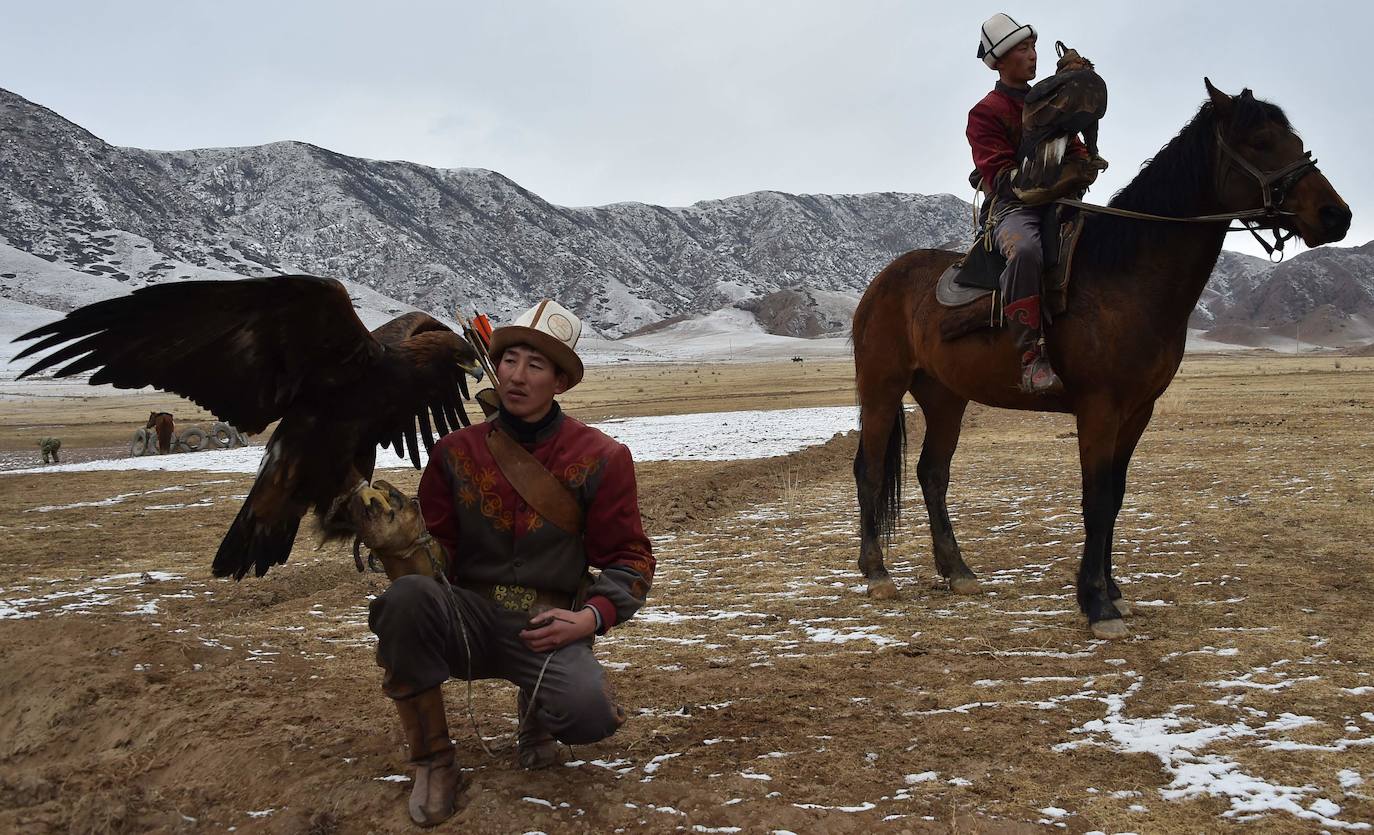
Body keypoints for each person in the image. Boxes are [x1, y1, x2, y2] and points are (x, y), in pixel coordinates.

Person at [367, 299, 655, 827]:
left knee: (589, 714)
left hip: (548, 626)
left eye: (536, 365)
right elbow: (441, 552)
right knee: (403, 600)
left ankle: (538, 719)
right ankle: (434, 761)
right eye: (509, 360)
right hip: (468, 617)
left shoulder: (603, 457)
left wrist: (590, 617)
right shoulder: (454, 453)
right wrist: (404, 549)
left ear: (561, 382)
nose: (517, 376)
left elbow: (630, 558)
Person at [968, 12, 1089, 395]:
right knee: (1025, 252)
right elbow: (1000, 178)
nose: (1033, 55)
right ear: (1001, 61)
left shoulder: (1054, 101)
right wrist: (1051, 177)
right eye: (1023, 49)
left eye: (1034, 46)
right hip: (1014, 209)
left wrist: (1082, 165)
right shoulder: (985, 113)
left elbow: (1076, 146)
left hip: (1061, 203)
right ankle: (1030, 359)